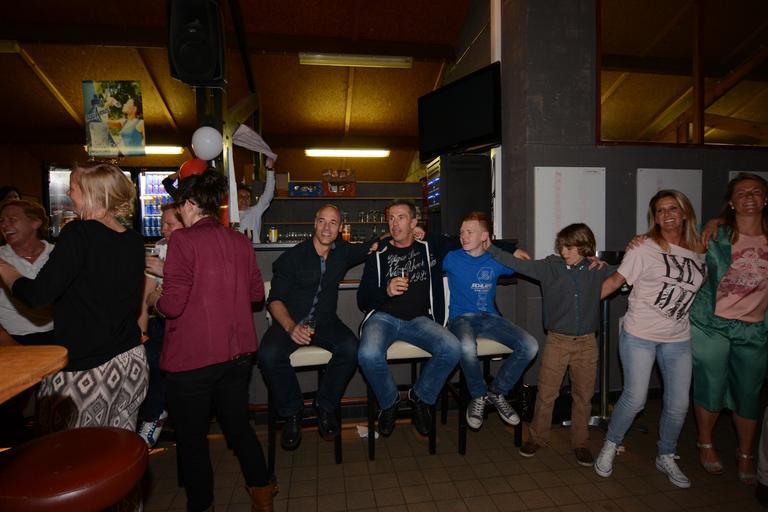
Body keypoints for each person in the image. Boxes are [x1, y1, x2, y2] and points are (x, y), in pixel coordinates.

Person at [150, 169, 274, 511]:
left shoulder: (182, 241)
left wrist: (154, 299)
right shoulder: (240, 241)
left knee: (192, 440)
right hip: (237, 355)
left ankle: (202, 504)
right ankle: (262, 492)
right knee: (238, 427)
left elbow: (173, 305)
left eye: (180, 206)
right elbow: (255, 295)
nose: (179, 212)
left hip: (193, 359)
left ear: (191, 204)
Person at [0, 162, 148, 433]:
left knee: (69, 451)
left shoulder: (79, 233)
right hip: (131, 362)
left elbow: (37, 295)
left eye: (73, 187)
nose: (69, 193)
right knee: (115, 447)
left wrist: (5, 269)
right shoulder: (134, 240)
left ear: (91, 192)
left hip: (89, 368)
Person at [594, 189, 705, 489]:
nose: (666, 215)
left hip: (678, 337)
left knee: (679, 404)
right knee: (636, 398)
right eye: (660, 210)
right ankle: (611, 444)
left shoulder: (700, 251)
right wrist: (578, 309)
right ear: (654, 218)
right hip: (640, 334)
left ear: (685, 213)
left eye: (672, 208)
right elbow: (615, 282)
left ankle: (666, 454)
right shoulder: (643, 247)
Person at [487, 222, 613, 466]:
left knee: (583, 397)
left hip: (587, 343)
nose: (563, 251)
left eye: (569, 247)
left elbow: (626, 271)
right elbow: (516, 264)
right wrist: (490, 247)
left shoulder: (596, 269)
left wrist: (610, 261)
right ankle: (537, 438)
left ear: (584, 247)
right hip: (558, 341)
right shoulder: (550, 267)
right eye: (561, 246)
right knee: (546, 393)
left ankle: (581, 443)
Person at [257, 204, 376, 450]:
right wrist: (291, 327)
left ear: (340, 228)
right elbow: (274, 300)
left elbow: (373, 245)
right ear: (314, 223)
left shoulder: (343, 252)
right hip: (291, 321)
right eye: (322, 221)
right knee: (268, 354)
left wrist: (406, 233)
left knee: (351, 348)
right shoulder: (292, 257)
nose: (327, 228)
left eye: (333, 223)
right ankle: (292, 412)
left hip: (325, 322)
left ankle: (325, 405)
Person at [357, 199, 461, 437]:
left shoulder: (429, 247)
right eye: (391, 218)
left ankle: (420, 397)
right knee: (367, 354)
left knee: (453, 347)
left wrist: (510, 248)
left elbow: (467, 240)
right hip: (383, 318)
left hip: (419, 320)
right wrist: (386, 290)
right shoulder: (378, 253)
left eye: (401, 218)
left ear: (414, 222)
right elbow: (362, 300)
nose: (395, 224)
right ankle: (389, 402)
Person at [690, 172, 768, 484]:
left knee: (749, 393)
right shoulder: (714, 234)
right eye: (741, 193)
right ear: (732, 203)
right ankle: (705, 443)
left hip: (755, 328)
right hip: (712, 325)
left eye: (756, 191)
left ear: (765, 199)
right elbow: (680, 249)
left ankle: (746, 453)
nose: (749, 197)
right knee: (710, 386)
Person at [442, 212, 539, 432]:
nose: (463, 237)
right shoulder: (452, 258)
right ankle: (478, 395)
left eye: (469, 232)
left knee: (530, 345)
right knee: (467, 347)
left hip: (491, 318)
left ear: (484, 236)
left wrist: (513, 251)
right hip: (461, 318)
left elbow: (528, 266)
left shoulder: (495, 258)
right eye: (462, 232)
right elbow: (436, 247)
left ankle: (497, 391)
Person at [135, 203, 184, 447]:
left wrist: (166, 273)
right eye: (162, 223)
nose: (163, 229)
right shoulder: (161, 247)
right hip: (162, 321)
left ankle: (154, 416)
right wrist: (141, 332)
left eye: (170, 224)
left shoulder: (196, 249)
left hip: (188, 325)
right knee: (144, 355)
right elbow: (147, 297)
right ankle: (148, 414)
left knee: (160, 359)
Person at [0, 200, 55, 345]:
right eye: (2, 221)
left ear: (35, 223)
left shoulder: (58, 254)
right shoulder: (2, 257)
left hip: (61, 334)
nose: (5, 225)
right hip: (12, 338)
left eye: (12, 220)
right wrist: (9, 344)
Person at [236, 159, 275, 242]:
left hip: (253, 248)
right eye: (241, 196)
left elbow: (268, 193)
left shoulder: (254, 211)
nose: (245, 199)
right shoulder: (230, 215)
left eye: (248, 197)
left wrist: (270, 170)